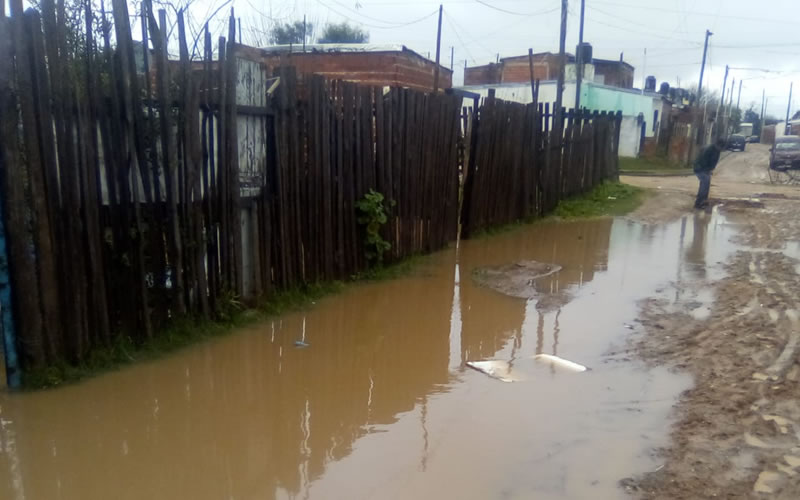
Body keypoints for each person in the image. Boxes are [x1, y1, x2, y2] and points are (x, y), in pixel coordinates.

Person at [693, 137, 726, 209]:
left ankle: (703, 200)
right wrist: (706, 170)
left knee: (706, 182)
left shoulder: (717, 151)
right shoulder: (709, 149)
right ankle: (699, 202)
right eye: (721, 147)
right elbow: (703, 160)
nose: (721, 149)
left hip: (705, 169)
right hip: (699, 168)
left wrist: (710, 169)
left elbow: (713, 162)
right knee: (705, 182)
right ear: (718, 145)